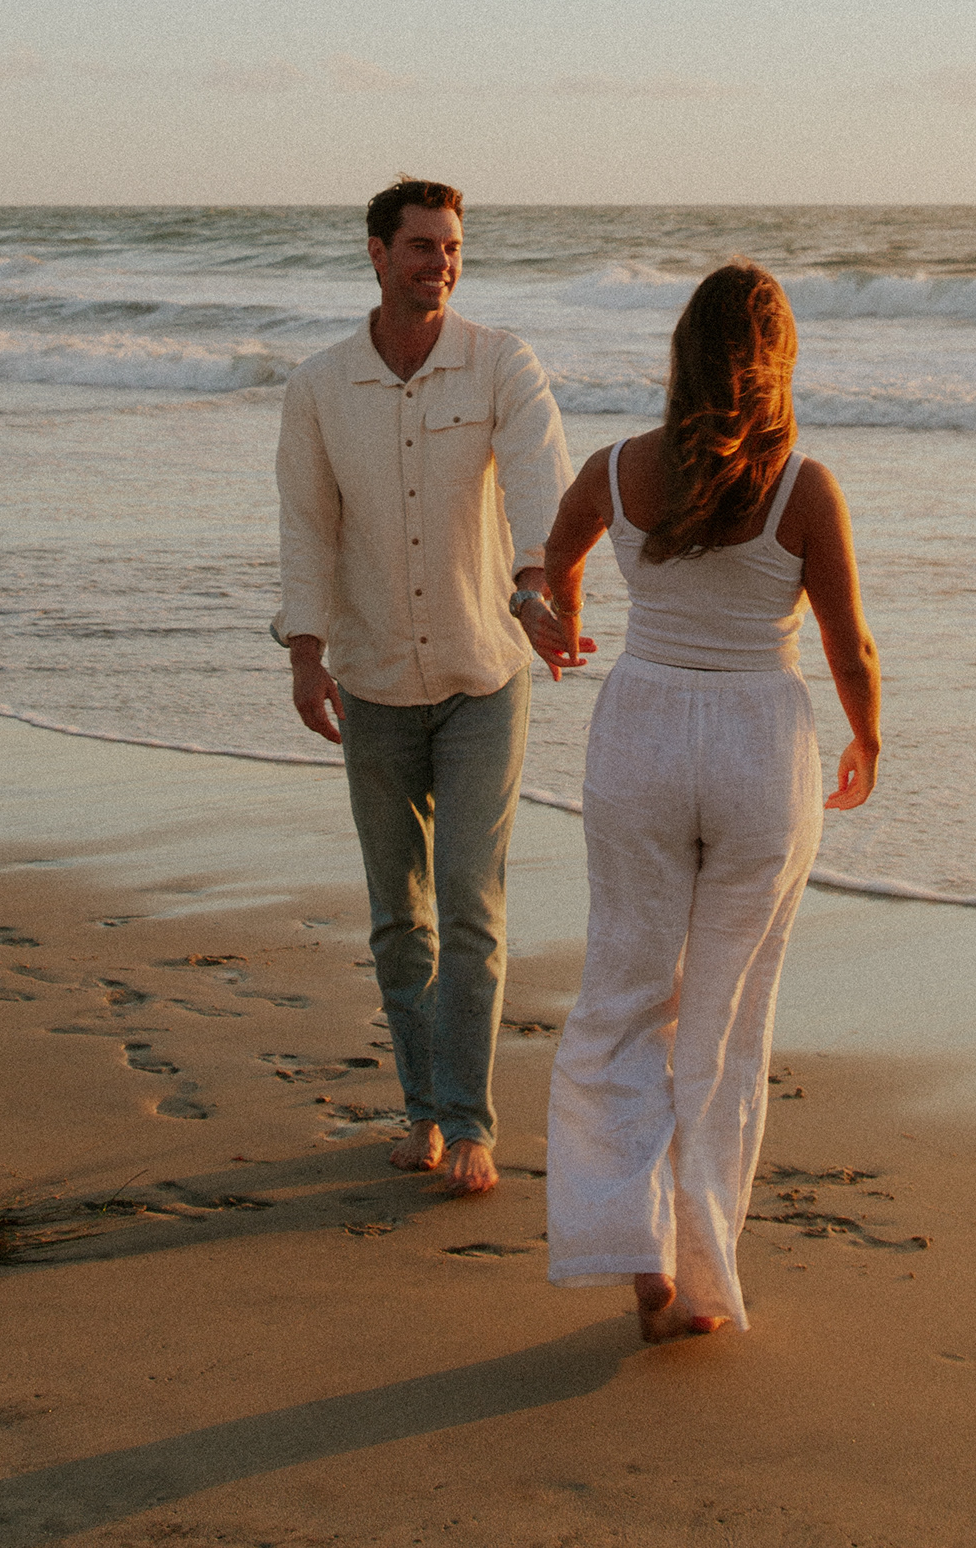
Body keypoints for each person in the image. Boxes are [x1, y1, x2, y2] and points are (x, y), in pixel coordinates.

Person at [536, 260, 880, 1340]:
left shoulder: (618, 468)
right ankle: (701, 1275)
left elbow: (556, 556)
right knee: (726, 1020)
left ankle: (627, 1244)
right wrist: (868, 736)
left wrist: (568, 618)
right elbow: (849, 645)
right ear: (779, 362)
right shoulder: (803, 488)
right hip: (757, 745)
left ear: (682, 355)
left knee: (624, 988)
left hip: (641, 729)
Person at [275, 176, 587, 1196]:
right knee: (397, 917)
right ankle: (421, 1111)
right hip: (371, 680)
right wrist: (306, 652)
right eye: (422, 247)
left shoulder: (501, 362)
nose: (441, 264)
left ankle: (469, 1121)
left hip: (482, 672)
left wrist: (536, 585)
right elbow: (306, 527)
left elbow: (540, 477)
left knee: (469, 905)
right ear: (377, 253)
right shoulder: (320, 387)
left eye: (452, 247)